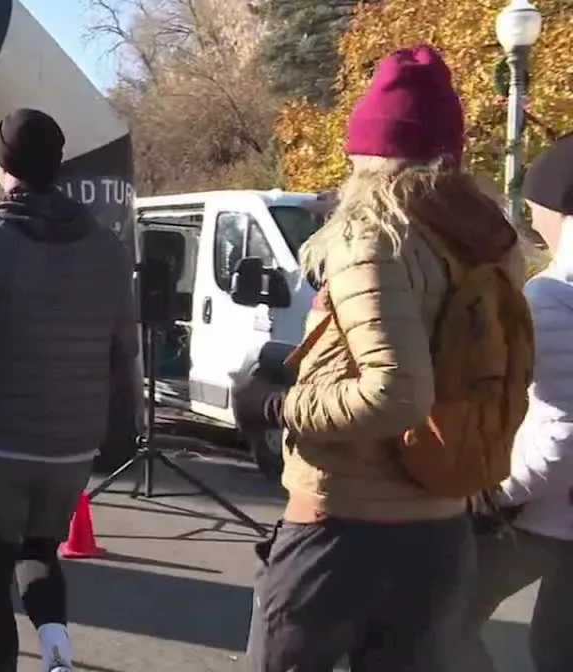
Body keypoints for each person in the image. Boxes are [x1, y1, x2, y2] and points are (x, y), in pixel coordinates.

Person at [232, 45, 531, 671]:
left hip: (341, 529)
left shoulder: (373, 234)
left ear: (370, 149)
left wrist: (280, 404)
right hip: (443, 526)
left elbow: (396, 391)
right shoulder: (487, 241)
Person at [0, 108, 137, 672]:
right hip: (73, 442)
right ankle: (57, 655)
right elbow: (124, 349)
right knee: (42, 550)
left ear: (3, 168)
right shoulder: (105, 246)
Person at [459, 134, 573, 672]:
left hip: (543, 518)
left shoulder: (552, 297)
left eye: (535, 207)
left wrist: (488, 493)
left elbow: (560, 438)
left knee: (439, 623)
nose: (530, 218)